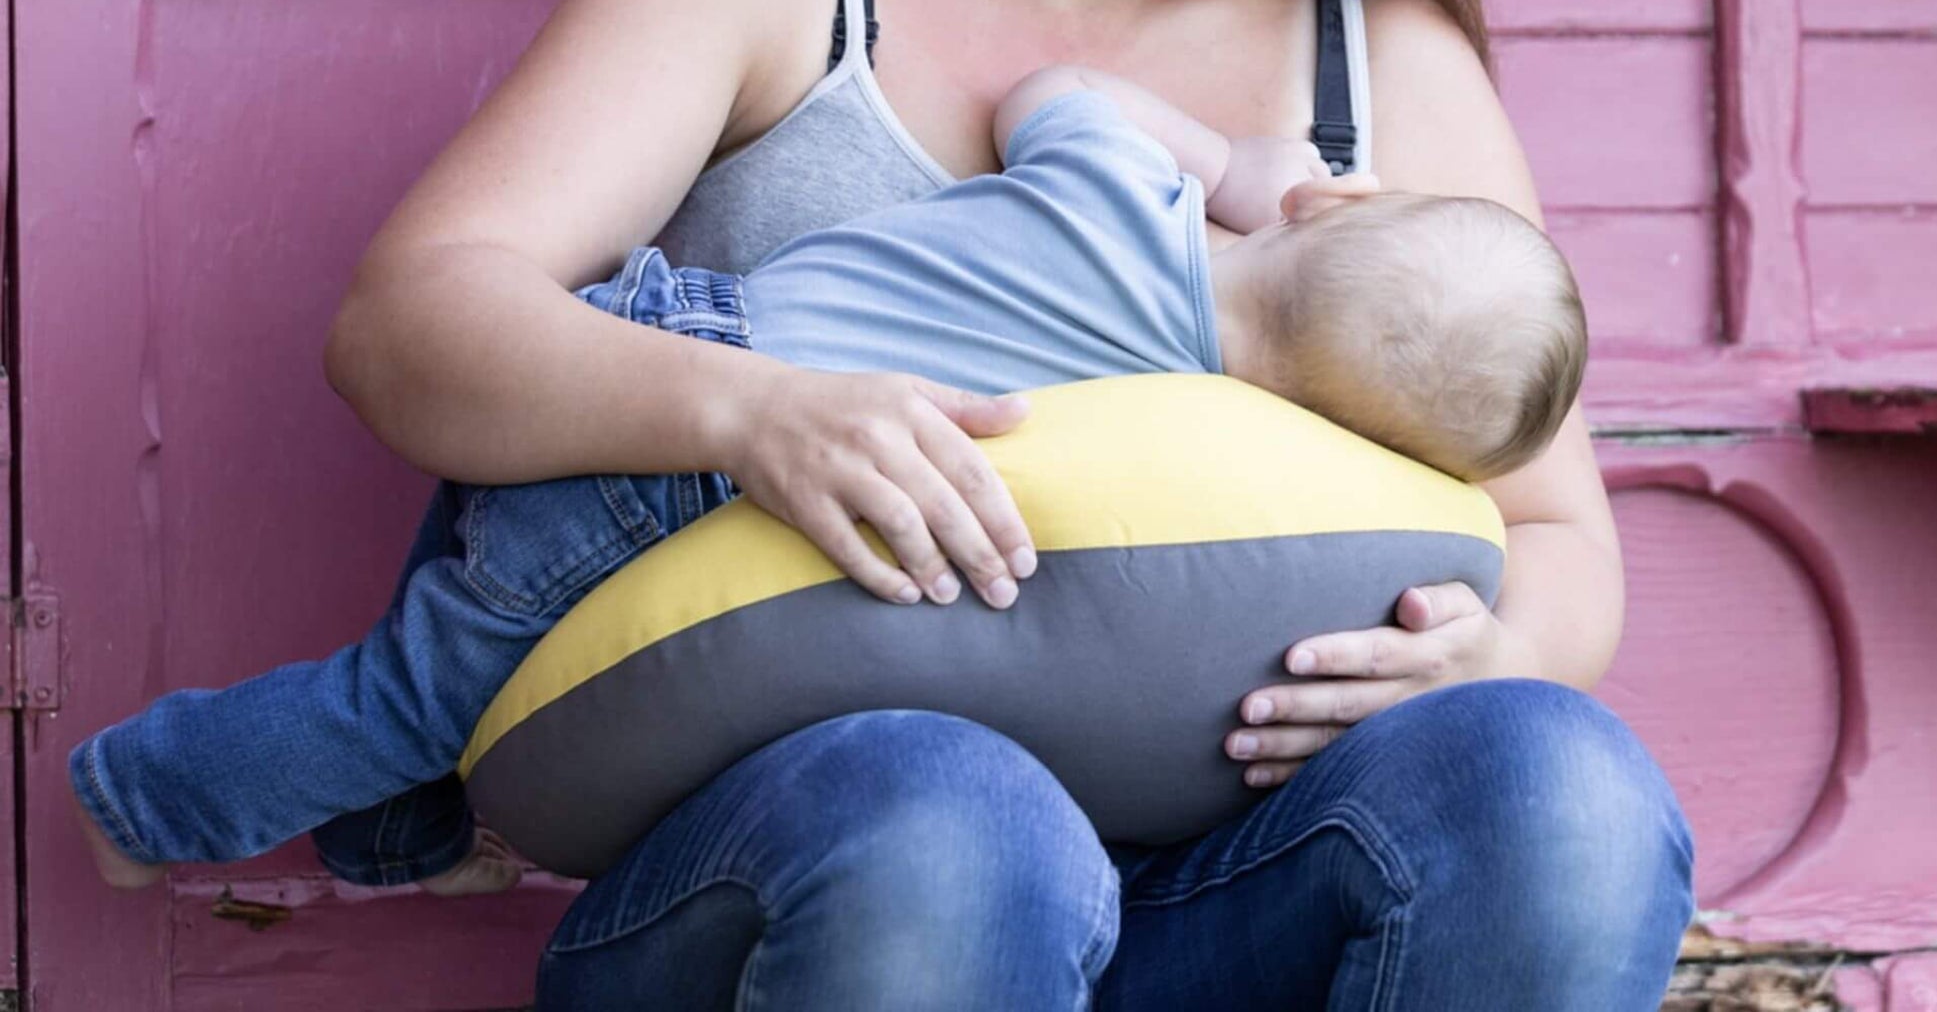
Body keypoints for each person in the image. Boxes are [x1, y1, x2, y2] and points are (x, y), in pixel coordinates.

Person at [313, 0, 1694, 1007]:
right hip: (821, 874)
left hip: (1213, 891)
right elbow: (405, 326)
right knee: (960, 834)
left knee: (1558, 789)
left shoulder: (1378, 68)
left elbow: (1558, 539)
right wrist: (750, 410)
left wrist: (1497, 654)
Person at [69, 57, 1588, 893]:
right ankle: (141, 801)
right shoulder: (1171, 420)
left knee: (457, 628)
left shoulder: (1116, 180)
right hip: (683, 477)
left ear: (1326, 211)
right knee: (408, 697)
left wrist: (1240, 162)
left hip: (643, 337)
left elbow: (1051, 87)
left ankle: (386, 823)